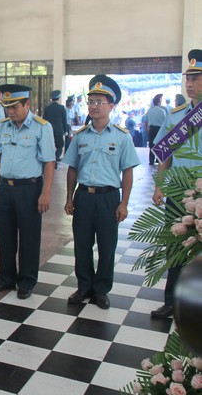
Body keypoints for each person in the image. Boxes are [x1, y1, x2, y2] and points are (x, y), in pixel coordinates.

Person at [63, 75, 140, 310]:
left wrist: (124, 203)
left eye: (99, 102)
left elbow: (127, 173)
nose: (94, 106)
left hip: (108, 198)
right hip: (84, 196)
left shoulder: (122, 136)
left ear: (111, 106)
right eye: (91, 102)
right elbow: (72, 169)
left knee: (107, 246)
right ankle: (84, 286)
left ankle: (101, 289)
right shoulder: (80, 136)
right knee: (82, 245)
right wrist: (69, 197)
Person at [0, 84, 56, 299]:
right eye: (7, 107)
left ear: (27, 105)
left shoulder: (41, 127)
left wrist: (45, 193)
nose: (10, 111)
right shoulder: (3, 126)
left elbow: (49, 162)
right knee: (5, 235)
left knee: (29, 237)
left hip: (30, 189)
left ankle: (26, 280)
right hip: (6, 188)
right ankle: (6, 277)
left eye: (14, 107)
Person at [151, 49, 202, 319]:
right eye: (188, 78)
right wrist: (160, 185)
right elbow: (164, 155)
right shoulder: (177, 115)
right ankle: (172, 302)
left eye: (196, 78)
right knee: (175, 247)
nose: (190, 83)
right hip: (178, 193)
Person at [43, 90, 68, 166]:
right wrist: (65, 130)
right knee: (60, 146)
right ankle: (56, 159)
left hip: (49, 131)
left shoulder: (47, 108)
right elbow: (64, 120)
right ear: (59, 98)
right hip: (59, 131)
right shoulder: (61, 108)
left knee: (50, 146)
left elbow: (44, 120)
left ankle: (51, 160)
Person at [145, 94, 167, 165]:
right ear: (159, 102)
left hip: (151, 129)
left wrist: (147, 129)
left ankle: (151, 161)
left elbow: (145, 121)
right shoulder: (162, 111)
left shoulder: (149, 110)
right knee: (160, 145)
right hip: (160, 129)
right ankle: (158, 160)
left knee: (151, 145)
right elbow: (165, 121)